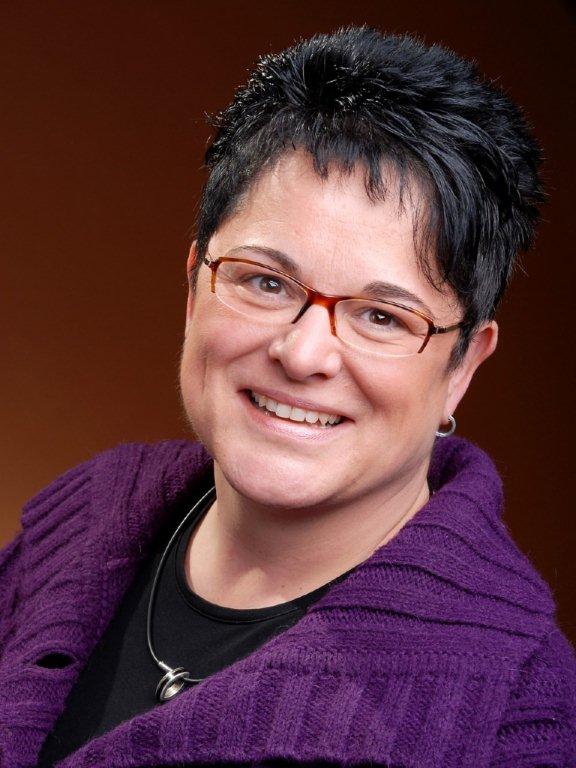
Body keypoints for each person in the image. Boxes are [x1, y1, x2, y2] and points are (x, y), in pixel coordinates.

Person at [1, 25, 574, 768]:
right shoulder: (81, 527)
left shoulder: (521, 718)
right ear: (194, 287)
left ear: (462, 366)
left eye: (382, 316)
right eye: (266, 282)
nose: (303, 354)